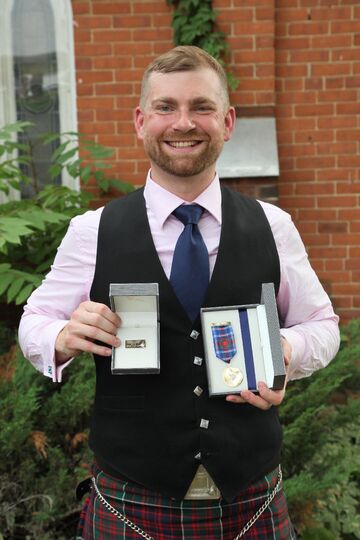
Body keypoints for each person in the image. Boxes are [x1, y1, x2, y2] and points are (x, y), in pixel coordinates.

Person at [19, 46, 340, 540]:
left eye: (202, 108)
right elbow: (33, 321)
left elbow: (323, 325)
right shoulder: (93, 231)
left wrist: (287, 351)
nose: (183, 123)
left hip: (250, 499)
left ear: (228, 121)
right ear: (141, 121)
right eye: (166, 107)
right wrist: (63, 334)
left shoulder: (273, 227)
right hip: (132, 499)